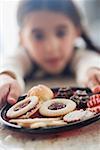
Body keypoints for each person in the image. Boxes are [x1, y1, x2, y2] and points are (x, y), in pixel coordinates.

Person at [0, 0, 100, 108]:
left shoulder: (78, 55)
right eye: (38, 36)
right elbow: (11, 63)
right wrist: (6, 77)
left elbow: (88, 60)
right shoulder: (23, 58)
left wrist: (92, 72)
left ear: (77, 31)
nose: (50, 47)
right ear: (22, 38)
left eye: (61, 33)